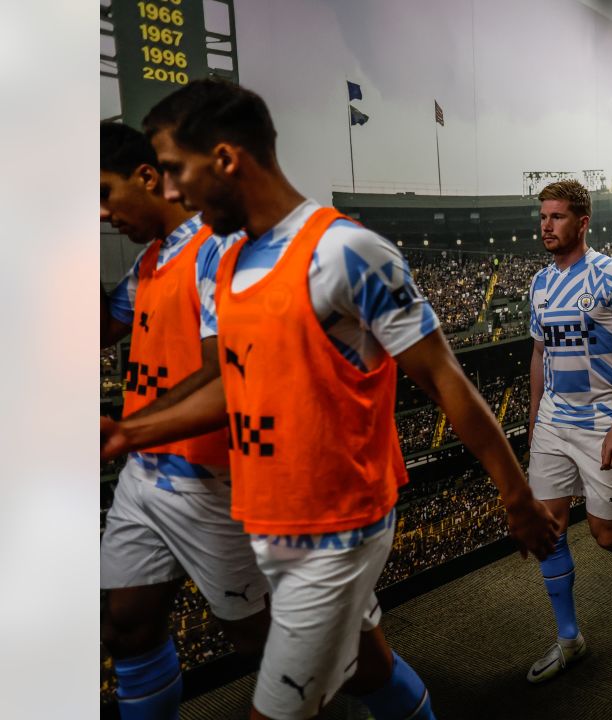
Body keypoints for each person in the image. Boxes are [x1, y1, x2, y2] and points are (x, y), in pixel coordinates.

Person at [100, 78, 559, 720]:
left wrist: (517, 498)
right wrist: (130, 435)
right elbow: (240, 383)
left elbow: (444, 377)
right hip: (265, 519)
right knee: (363, 663)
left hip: (338, 531)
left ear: (227, 159)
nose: (169, 192)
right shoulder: (231, 263)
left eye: (176, 171)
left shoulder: (345, 252)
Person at [100, 120, 270, 720]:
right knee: (125, 627)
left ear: (147, 176)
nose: (100, 214)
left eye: (103, 193)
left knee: (266, 646)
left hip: (209, 480)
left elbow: (224, 371)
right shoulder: (150, 261)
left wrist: (129, 429)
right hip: (144, 474)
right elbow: (96, 327)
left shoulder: (214, 247)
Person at [524, 180, 612, 683]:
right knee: (550, 528)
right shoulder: (539, 284)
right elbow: (540, 352)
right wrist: (535, 415)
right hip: (553, 423)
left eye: (557, 217)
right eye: (543, 216)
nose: (546, 225)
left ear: (582, 222)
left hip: (602, 420)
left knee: (605, 536)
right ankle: (569, 637)